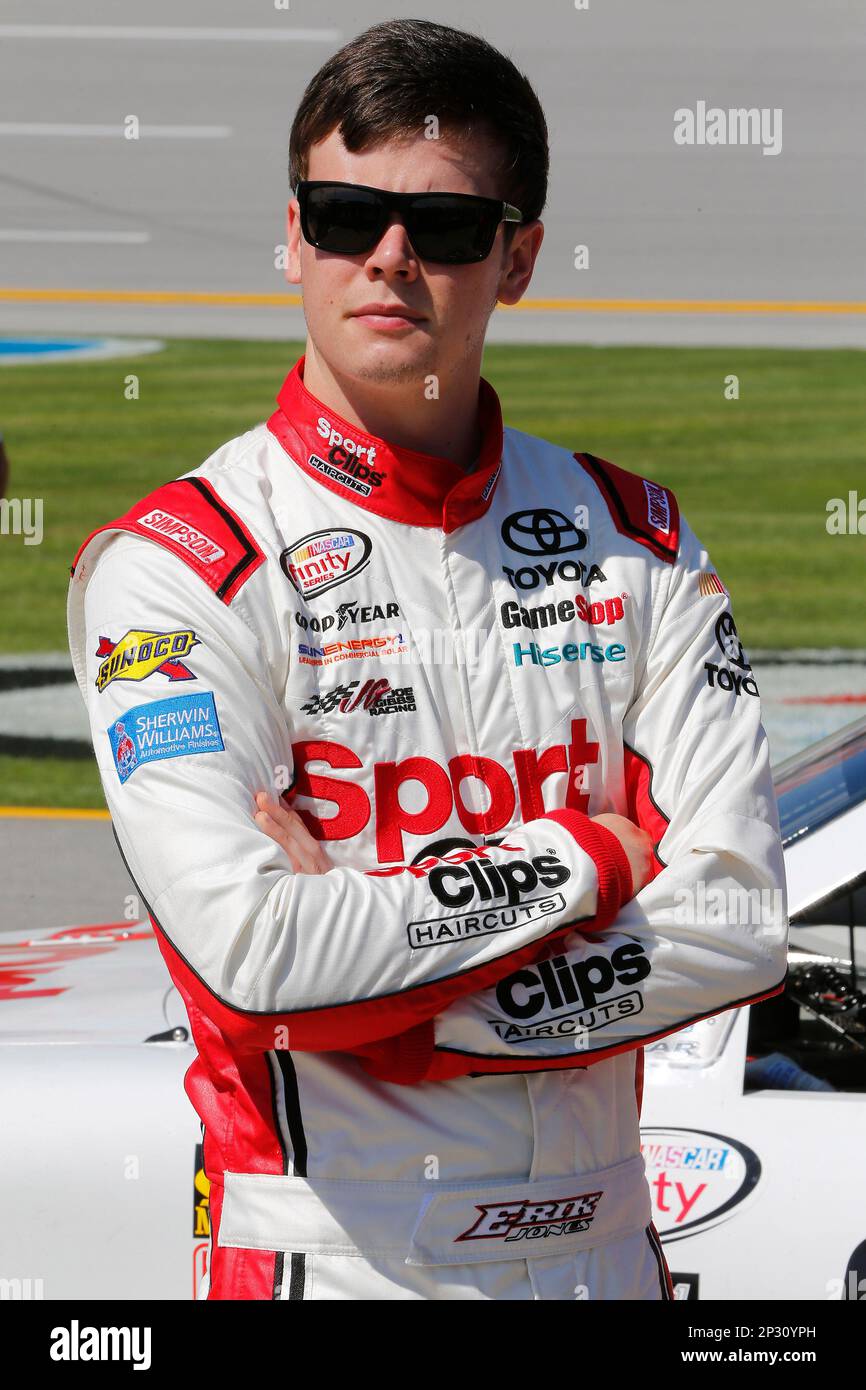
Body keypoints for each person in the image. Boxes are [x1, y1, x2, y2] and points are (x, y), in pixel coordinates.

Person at [67, 18, 787, 1301]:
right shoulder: (179, 565)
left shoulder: (635, 541)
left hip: (606, 1258)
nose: (390, 260)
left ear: (516, 261)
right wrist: (593, 858)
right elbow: (255, 963)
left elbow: (732, 924)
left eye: (447, 231)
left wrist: (407, 1007)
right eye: (347, 215)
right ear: (291, 235)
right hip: (328, 1261)